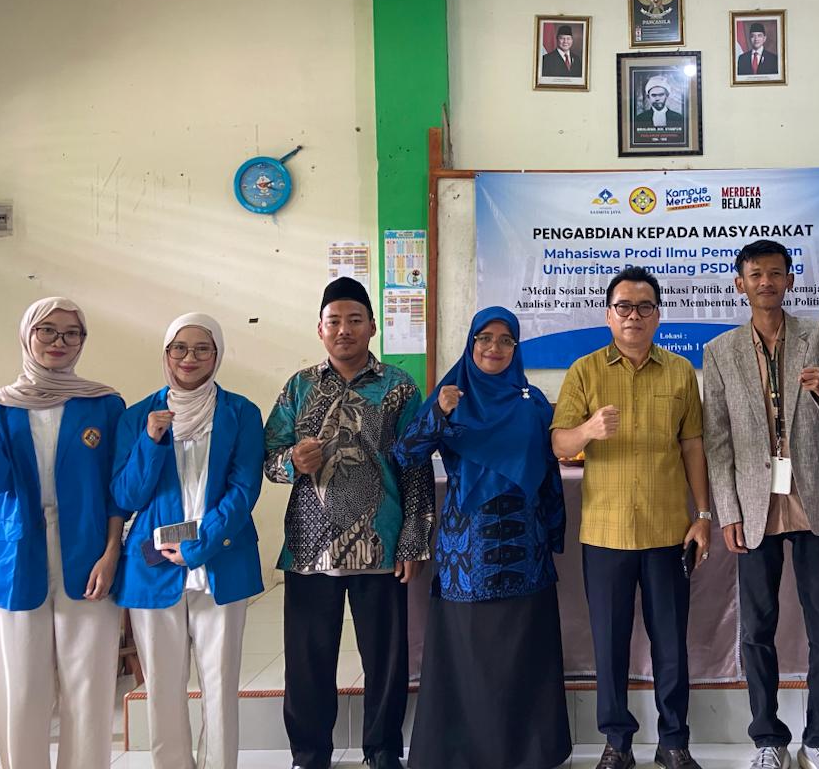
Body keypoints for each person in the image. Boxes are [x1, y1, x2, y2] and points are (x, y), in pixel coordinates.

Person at [263, 277, 434, 769]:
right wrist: (292, 462)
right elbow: (269, 458)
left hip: (379, 543)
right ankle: (309, 753)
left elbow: (415, 466)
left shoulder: (399, 387)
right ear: (320, 329)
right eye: (334, 321)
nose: (344, 329)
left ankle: (383, 751)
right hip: (309, 546)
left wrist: (414, 539)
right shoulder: (299, 387)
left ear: (372, 326)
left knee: (385, 659)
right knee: (308, 659)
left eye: (354, 320)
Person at [395, 306, 571, 769]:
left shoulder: (533, 402)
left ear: (516, 348)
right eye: (485, 338)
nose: (495, 347)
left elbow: (549, 472)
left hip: (525, 551)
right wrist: (437, 412)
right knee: (470, 655)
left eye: (505, 340)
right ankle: (463, 754)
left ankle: (527, 754)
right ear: (471, 344)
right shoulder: (450, 396)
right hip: (467, 553)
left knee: (521, 654)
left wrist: (554, 531)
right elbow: (406, 454)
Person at [703, 241, 819, 769]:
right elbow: (717, 439)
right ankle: (767, 739)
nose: (766, 282)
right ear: (740, 284)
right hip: (754, 507)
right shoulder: (720, 351)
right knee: (756, 629)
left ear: (790, 280)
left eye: (775, 273)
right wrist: (727, 511)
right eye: (755, 274)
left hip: (814, 499)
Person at [552, 266, 711, 769]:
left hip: (668, 531)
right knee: (610, 643)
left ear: (658, 316)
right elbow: (558, 443)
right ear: (608, 315)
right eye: (623, 307)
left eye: (644, 307)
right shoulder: (584, 371)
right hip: (606, 533)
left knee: (671, 644)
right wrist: (588, 431)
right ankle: (616, 743)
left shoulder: (680, 372)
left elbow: (693, 445)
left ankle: (674, 741)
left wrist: (703, 514)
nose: (633, 316)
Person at [0, 297, 126, 769]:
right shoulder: (0, 405)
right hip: (16, 556)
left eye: (71, 333)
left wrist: (112, 552)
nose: (59, 341)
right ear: (27, 334)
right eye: (47, 331)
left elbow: (117, 490)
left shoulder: (104, 404)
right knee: (20, 688)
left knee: (89, 686)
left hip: (89, 554)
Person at [112, 313, 265, 769]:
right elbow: (126, 496)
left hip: (221, 561)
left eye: (202, 348)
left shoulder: (241, 413)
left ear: (217, 355)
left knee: (220, 684)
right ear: (166, 353)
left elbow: (243, 491)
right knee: (162, 687)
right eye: (179, 348)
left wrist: (200, 545)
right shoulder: (139, 416)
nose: (189, 358)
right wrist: (151, 440)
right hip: (154, 567)